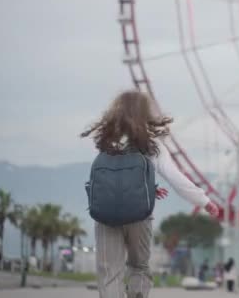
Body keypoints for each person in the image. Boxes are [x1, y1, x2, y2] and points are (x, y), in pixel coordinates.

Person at [81, 90, 219, 298]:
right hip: (139, 214)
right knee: (139, 266)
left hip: (106, 215)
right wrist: (204, 201)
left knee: (110, 271)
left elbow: (109, 178)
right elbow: (176, 178)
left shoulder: (103, 141)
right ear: (144, 113)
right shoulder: (151, 144)